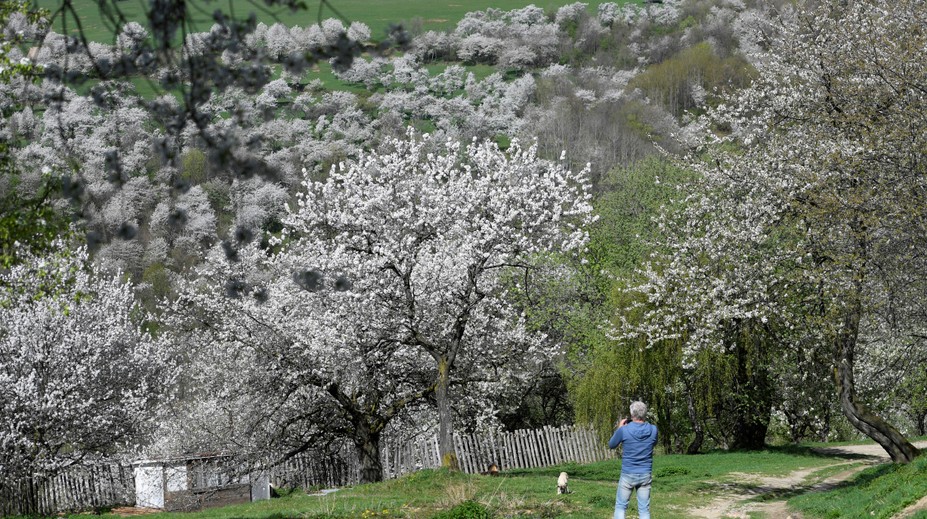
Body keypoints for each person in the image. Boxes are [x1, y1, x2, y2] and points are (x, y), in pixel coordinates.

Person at [608, 401, 658, 519]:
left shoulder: (624, 430)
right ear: (645, 414)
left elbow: (611, 444)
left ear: (632, 415)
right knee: (644, 509)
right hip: (645, 473)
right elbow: (654, 443)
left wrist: (619, 428)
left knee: (621, 506)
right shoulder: (653, 429)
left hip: (628, 473)